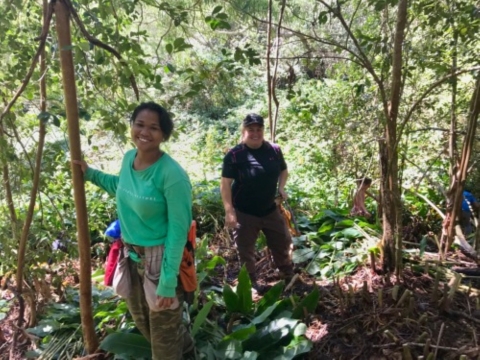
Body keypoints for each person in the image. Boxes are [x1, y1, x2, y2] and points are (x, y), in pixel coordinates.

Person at [74, 102, 193, 360]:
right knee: (149, 329)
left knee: (163, 347)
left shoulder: (172, 175)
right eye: (140, 124)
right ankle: (189, 352)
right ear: (132, 126)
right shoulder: (129, 159)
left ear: (164, 135)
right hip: (130, 259)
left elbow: (178, 232)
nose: (145, 132)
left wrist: (168, 281)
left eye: (154, 128)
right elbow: (123, 187)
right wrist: (90, 174)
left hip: (161, 261)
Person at [220, 113, 294, 291]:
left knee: (282, 241)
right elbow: (225, 184)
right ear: (244, 131)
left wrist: (282, 188)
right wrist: (229, 211)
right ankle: (252, 284)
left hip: (270, 209)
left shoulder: (274, 150)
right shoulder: (235, 155)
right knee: (245, 250)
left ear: (263, 130)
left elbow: (283, 170)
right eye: (250, 129)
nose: (255, 133)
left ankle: (287, 276)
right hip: (245, 212)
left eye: (258, 129)